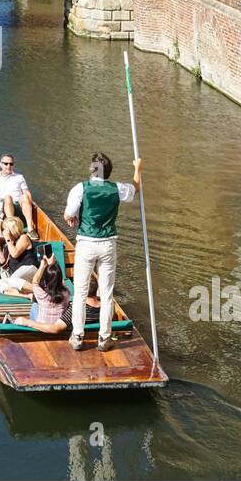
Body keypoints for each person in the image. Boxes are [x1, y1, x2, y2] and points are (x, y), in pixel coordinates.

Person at [63, 151, 141, 352]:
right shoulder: (117, 189)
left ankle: (78, 336)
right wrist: (137, 168)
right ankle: (104, 339)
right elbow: (135, 189)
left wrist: (71, 218)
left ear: (92, 170)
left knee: (80, 293)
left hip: (86, 244)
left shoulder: (80, 188)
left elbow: (69, 214)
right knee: (106, 294)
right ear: (108, 171)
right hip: (107, 244)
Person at [10, 250, 73, 335]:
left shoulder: (41, 293)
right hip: (59, 324)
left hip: (41, 326)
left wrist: (42, 266)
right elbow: (60, 281)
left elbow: (35, 281)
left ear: (46, 279)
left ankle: (32, 328)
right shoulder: (66, 293)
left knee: (35, 305)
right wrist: (53, 264)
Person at [0, 216, 39, 296]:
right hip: (18, 279)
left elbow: (15, 254)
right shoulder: (9, 244)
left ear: (12, 229)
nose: (4, 232)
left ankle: (40, 292)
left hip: (29, 270)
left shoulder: (23, 237)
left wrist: (7, 239)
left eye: (5, 229)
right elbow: (4, 263)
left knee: (13, 280)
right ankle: (27, 296)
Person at [0, 153, 38, 238]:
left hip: (19, 206)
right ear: (1, 164)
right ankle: (11, 228)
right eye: (6, 163)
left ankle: (30, 229)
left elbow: (26, 192)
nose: (8, 166)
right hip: (4, 208)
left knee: (25, 197)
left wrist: (31, 202)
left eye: (11, 164)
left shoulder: (19, 177)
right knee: (7, 198)